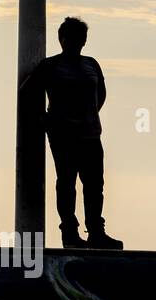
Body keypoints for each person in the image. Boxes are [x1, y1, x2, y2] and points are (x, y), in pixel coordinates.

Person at [26, 17, 124, 250]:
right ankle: (69, 233)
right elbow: (29, 91)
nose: (77, 42)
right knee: (67, 184)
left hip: (91, 135)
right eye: (73, 37)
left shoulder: (92, 64)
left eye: (81, 38)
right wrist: (46, 120)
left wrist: (87, 115)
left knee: (94, 185)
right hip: (63, 137)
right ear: (62, 39)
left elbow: (101, 94)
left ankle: (96, 233)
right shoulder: (50, 66)